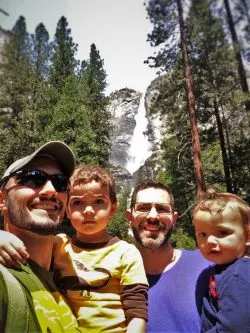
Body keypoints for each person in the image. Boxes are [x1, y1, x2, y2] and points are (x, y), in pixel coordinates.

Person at [0, 165, 148, 333]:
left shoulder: (126, 252)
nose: (88, 211)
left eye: (99, 202)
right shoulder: (59, 245)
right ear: (67, 210)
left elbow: (137, 310)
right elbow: (25, 247)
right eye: (78, 202)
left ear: (113, 209)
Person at [0, 141, 80, 332]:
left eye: (60, 182)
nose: (50, 191)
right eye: (32, 179)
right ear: (2, 200)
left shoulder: (66, 279)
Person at [126, 181, 211, 333]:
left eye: (162, 209)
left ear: (174, 218)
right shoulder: (112, 278)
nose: (153, 216)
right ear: (129, 217)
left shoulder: (207, 265)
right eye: (143, 208)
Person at [193, 189, 250, 332]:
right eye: (203, 234)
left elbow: (234, 328)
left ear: (248, 237)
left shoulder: (239, 275)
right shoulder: (224, 270)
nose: (210, 240)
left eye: (222, 232)